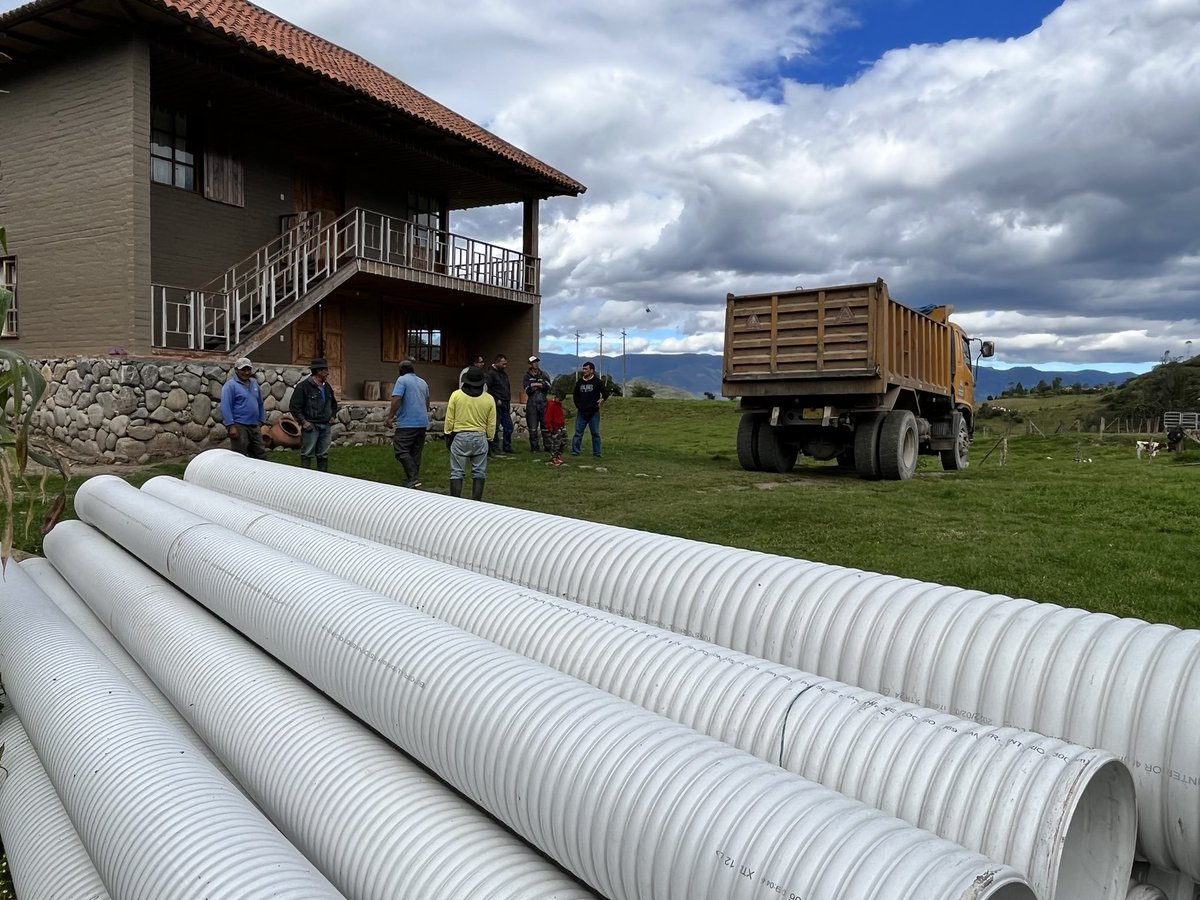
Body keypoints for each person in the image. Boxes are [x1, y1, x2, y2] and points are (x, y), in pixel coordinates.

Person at [444, 366, 496, 500]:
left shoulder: (456, 395)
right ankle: (476, 502)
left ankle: (455, 501)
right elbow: (491, 423)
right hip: (480, 437)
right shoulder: (489, 399)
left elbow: (450, 418)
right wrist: (489, 438)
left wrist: (448, 434)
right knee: (479, 471)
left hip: (460, 436)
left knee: (457, 472)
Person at [289, 357, 338, 471]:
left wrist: (332, 416)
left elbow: (334, 404)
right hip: (311, 426)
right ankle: (306, 478)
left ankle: (323, 477)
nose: (328, 373)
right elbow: (294, 406)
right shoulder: (303, 386)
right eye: (325, 370)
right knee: (307, 453)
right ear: (318, 371)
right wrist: (303, 422)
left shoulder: (327, 387)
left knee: (323, 453)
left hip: (325, 425)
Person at [387, 359, 430, 488]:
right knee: (415, 452)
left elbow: (397, 399)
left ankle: (413, 477)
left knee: (401, 449)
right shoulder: (423, 382)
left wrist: (390, 417)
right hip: (422, 422)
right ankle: (414, 480)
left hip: (407, 423)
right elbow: (427, 402)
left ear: (400, 371)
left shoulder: (402, 380)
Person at [220, 357, 267, 459]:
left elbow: (260, 402)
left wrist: (262, 419)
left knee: (260, 453)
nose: (246, 372)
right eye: (243, 370)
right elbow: (226, 406)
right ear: (236, 370)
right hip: (239, 425)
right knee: (240, 455)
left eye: (248, 370)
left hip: (255, 425)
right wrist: (231, 426)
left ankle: (258, 474)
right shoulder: (230, 386)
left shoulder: (254, 383)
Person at [572, 361, 610, 458]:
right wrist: (579, 405)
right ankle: (575, 451)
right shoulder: (579, 382)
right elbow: (575, 395)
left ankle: (597, 453)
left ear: (592, 370)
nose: (584, 371)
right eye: (583, 369)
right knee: (578, 433)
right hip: (582, 412)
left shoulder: (597, 382)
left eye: (586, 369)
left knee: (595, 433)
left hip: (593, 412)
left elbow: (606, 392)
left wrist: (603, 399)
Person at [484, 353, 513, 455]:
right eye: (503, 364)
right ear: (497, 362)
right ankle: (494, 447)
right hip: (497, 403)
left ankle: (507, 446)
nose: (505, 366)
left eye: (506, 364)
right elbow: (488, 388)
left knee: (509, 426)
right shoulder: (490, 374)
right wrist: (496, 399)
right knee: (495, 426)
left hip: (506, 402)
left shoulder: (504, 374)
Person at [523, 355, 552, 451]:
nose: (536, 364)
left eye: (537, 362)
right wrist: (536, 385)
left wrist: (537, 384)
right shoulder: (527, 376)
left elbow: (548, 386)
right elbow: (527, 389)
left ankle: (548, 447)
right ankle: (534, 448)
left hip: (543, 403)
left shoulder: (544, 374)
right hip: (532, 403)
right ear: (530, 364)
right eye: (533, 362)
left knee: (546, 426)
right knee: (533, 427)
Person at [544, 393, 567, 466]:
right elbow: (548, 417)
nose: (560, 401)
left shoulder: (559, 405)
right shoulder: (551, 404)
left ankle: (559, 455)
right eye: (559, 399)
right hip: (555, 427)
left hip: (561, 426)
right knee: (556, 443)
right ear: (556, 397)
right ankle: (554, 457)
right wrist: (550, 427)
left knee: (564, 442)